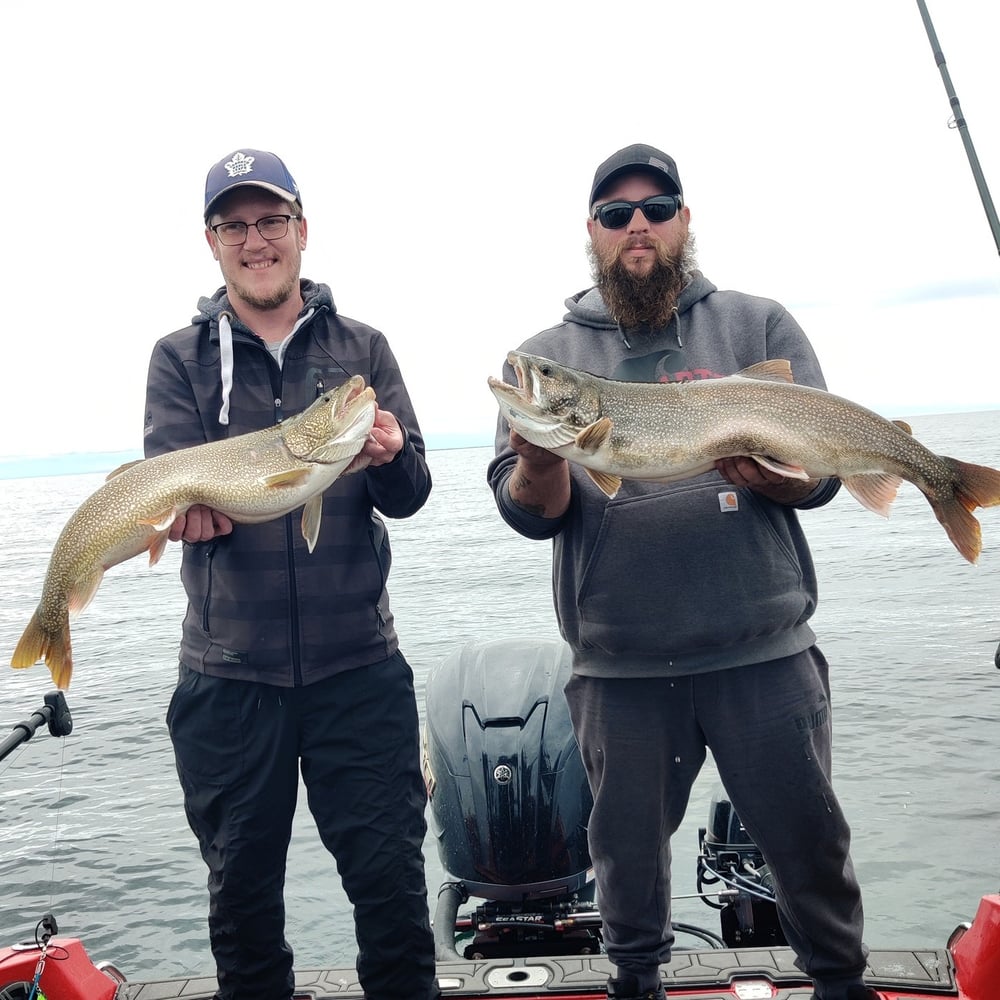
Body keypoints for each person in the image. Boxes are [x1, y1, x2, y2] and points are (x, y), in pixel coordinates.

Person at [487, 144, 875, 1000]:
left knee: (813, 855)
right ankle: (635, 987)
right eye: (618, 213)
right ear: (592, 231)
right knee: (625, 871)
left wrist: (790, 477)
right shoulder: (544, 356)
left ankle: (842, 986)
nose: (639, 226)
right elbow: (527, 511)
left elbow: (823, 475)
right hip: (620, 670)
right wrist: (543, 457)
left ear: (684, 222)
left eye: (657, 208)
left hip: (763, 653)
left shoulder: (757, 324)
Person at [143, 149, 438, 1000]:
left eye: (271, 220)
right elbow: (173, 486)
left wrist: (384, 457)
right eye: (234, 224)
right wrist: (185, 516)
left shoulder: (361, 349)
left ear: (302, 231)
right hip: (228, 684)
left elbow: (411, 490)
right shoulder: (179, 359)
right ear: (212, 244)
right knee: (242, 915)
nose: (255, 239)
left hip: (361, 675)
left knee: (392, 900)